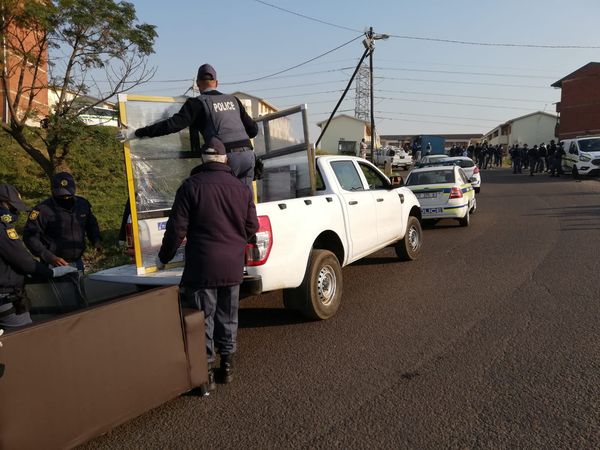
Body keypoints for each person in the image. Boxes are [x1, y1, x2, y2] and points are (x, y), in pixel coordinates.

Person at [156, 137, 258, 394]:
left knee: (204, 318)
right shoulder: (241, 188)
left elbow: (176, 228)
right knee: (228, 315)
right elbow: (251, 227)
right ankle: (228, 367)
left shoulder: (190, 186)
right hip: (232, 266)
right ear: (225, 159)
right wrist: (235, 243)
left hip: (202, 266)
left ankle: (206, 377)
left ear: (203, 159)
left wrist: (164, 257)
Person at [117, 63, 259, 192]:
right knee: (246, 203)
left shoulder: (197, 103)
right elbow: (253, 130)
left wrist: (137, 133)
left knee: (224, 202)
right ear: (216, 83)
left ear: (197, 84)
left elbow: (171, 125)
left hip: (224, 159)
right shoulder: (233, 100)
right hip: (248, 157)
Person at [0, 184, 77, 329]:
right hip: (5, 296)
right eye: (12, 207)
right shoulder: (3, 228)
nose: (15, 211)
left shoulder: (81, 204)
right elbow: (22, 260)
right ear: (3, 203)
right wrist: (50, 271)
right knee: (24, 339)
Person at [23, 172, 101, 272]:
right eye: (61, 196)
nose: (65, 199)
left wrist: (96, 240)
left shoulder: (82, 204)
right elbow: (30, 237)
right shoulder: (42, 210)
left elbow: (91, 224)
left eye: (68, 195)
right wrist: (48, 256)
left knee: (79, 286)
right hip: (53, 264)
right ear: (52, 191)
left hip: (77, 262)